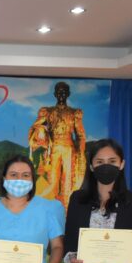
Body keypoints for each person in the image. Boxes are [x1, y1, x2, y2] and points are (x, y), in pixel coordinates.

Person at [28, 81, 87, 210]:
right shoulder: (48, 112)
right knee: (52, 180)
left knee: (67, 181)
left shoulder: (74, 113)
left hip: (69, 149)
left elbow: (80, 135)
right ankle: (51, 210)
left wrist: (80, 152)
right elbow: (36, 127)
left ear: (68, 94)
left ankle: (67, 211)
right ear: (55, 94)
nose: (61, 95)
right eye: (59, 92)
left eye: (64, 92)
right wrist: (40, 134)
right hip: (52, 149)